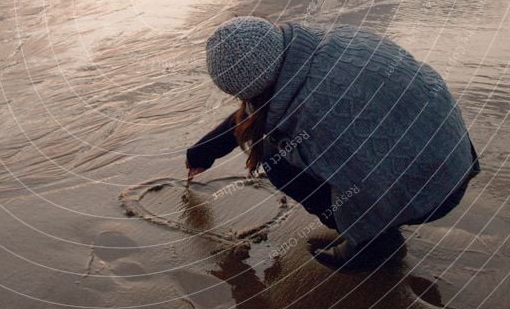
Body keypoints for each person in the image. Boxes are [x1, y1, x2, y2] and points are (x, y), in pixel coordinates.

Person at [186, 16, 481, 272]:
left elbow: (362, 183)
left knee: (275, 162)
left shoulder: (311, 114)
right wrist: (203, 151)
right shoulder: (331, 39)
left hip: (437, 193)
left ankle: (377, 245)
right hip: (456, 152)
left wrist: (362, 234)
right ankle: (378, 231)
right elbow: (257, 113)